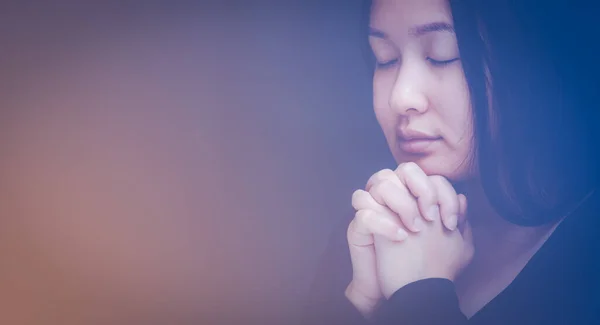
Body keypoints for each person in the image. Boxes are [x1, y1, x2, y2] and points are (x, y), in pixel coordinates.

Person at [305, 0, 600, 324]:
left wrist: (419, 296)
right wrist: (358, 303)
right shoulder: (374, 227)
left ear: (530, 61)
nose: (400, 98)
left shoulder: (586, 262)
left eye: (441, 55)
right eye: (385, 59)